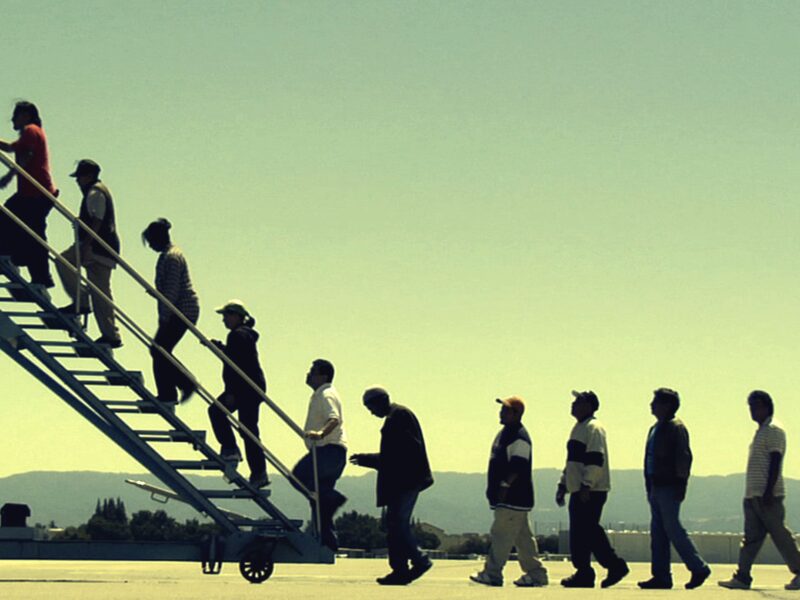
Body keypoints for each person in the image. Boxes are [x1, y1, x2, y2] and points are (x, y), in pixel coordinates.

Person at [350, 387, 433, 585]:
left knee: (398, 524)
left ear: (382, 401)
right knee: (394, 525)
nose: (371, 412)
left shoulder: (399, 416)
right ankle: (401, 570)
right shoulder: (397, 416)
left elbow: (401, 453)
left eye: (371, 407)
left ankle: (419, 561)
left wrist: (369, 459)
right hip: (404, 481)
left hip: (405, 481)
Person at [719, 390, 800, 591]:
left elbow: (775, 460)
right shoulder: (762, 430)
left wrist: (768, 491)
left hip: (767, 495)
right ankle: (742, 577)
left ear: (765, 406)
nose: (752, 411)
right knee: (751, 539)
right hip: (753, 495)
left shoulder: (773, 429)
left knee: (780, 536)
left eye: (755, 406)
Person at [470, 396, 549, 588]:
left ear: (516, 413)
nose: (501, 412)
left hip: (513, 497)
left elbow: (518, 466)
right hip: (511, 500)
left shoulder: (519, 436)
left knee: (501, 535)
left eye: (505, 409)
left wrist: (504, 486)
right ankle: (536, 574)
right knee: (523, 539)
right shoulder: (505, 433)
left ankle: (492, 573)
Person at [638, 388, 710, 590]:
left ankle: (698, 567)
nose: (651, 405)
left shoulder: (676, 428)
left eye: (656, 401)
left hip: (669, 485)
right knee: (658, 533)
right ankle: (661, 576)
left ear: (667, 405)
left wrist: (681, 483)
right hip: (655, 485)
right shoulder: (655, 428)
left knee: (673, 529)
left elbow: (684, 457)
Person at [556, 390, 628, 588]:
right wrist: (563, 484)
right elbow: (573, 461)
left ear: (589, 405)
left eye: (578, 401)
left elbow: (596, 458)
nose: (573, 404)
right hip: (578, 488)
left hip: (591, 490)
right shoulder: (578, 428)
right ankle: (585, 571)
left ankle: (611, 566)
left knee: (588, 530)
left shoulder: (593, 427)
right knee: (582, 531)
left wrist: (587, 484)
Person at [55, 159, 121, 347]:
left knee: (63, 262)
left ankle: (82, 301)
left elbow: (97, 220)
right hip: (100, 248)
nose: (78, 181)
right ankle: (110, 334)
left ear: (89, 176)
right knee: (101, 292)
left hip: (96, 248)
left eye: (80, 176)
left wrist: (86, 247)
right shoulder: (98, 191)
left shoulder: (95, 192)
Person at [207, 300, 268, 488]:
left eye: (226, 315)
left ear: (236, 316)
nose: (224, 320)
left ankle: (231, 449)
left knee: (217, 412)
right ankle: (259, 473)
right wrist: (222, 350)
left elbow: (235, 366)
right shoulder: (244, 335)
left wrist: (231, 391)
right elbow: (238, 360)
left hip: (243, 388)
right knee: (249, 429)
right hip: (252, 387)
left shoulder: (236, 336)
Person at [290, 359, 348, 551]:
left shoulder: (326, 394)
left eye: (312, 372)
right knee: (318, 501)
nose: (308, 374)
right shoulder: (321, 394)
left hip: (328, 450)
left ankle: (333, 498)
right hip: (332, 452)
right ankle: (328, 542)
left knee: (298, 476)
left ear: (323, 376)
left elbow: (334, 418)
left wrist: (321, 433)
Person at [0, 101, 58, 287]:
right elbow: (10, 147)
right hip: (34, 193)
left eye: (15, 117)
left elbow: (27, 156)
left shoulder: (31, 130)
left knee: (11, 221)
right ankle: (37, 275)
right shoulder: (32, 133)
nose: (12, 122)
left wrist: (9, 176)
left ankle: (12, 257)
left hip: (36, 193)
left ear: (25, 115)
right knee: (30, 232)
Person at [142, 218, 199, 404]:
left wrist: (165, 317)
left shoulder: (172, 257)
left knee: (159, 350)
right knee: (159, 350)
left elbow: (172, 290)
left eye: (150, 241)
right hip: (177, 310)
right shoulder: (168, 255)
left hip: (181, 311)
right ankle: (171, 392)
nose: (149, 245)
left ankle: (181, 386)